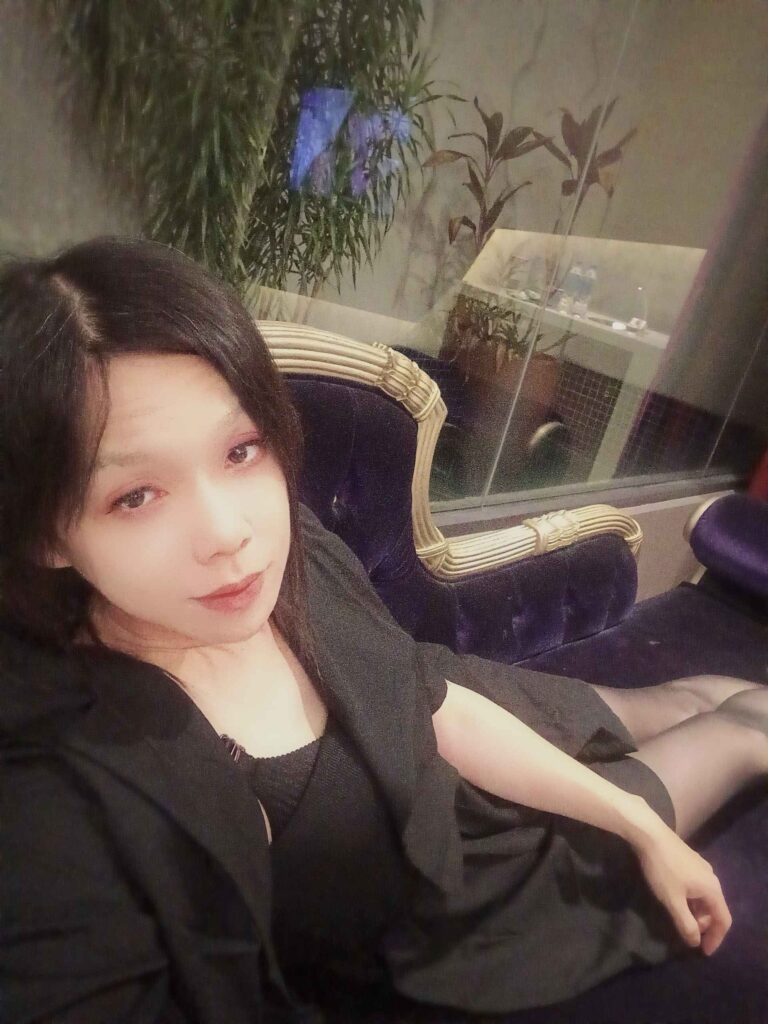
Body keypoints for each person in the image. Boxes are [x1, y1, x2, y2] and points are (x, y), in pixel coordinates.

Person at [0, 236, 766, 1024]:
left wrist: (637, 824)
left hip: (462, 723)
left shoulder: (287, 552)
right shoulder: (73, 785)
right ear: (46, 533)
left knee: (688, 700)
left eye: (241, 449)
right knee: (743, 731)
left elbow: (427, 701)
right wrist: (641, 833)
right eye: (135, 496)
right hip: (468, 899)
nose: (229, 533)